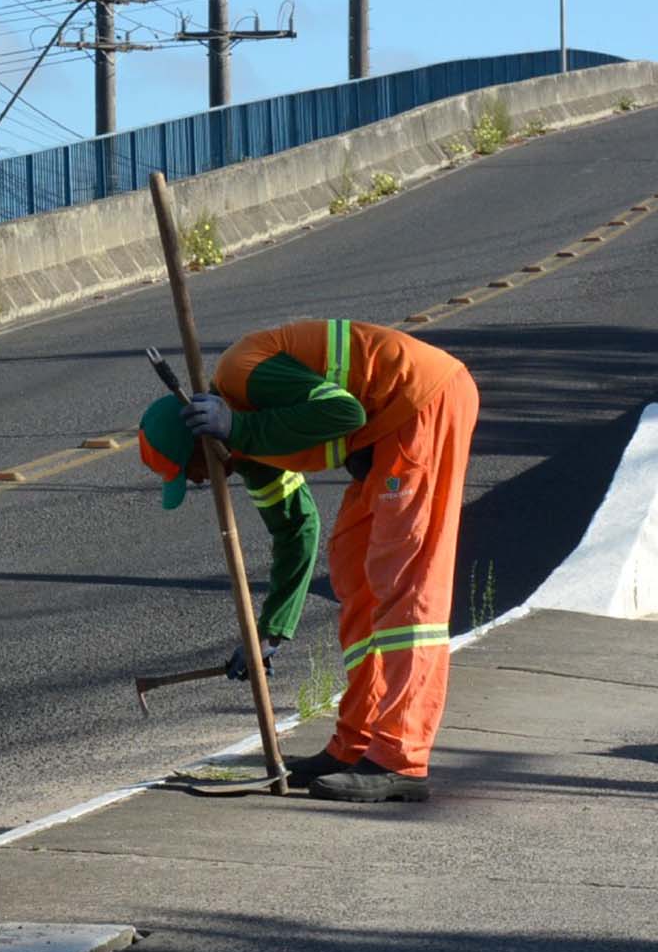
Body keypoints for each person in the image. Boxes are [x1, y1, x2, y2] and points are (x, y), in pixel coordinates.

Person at [138, 319, 479, 803]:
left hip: (420, 402)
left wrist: (240, 428)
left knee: (405, 583)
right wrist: (270, 634)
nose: (200, 483)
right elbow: (296, 530)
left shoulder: (243, 374)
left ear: (201, 439)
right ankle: (355, 744)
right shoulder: (248, 451)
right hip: (383, 435)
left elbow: (342, 411)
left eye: (193, 472)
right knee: (353, 569)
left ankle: (401, 757)